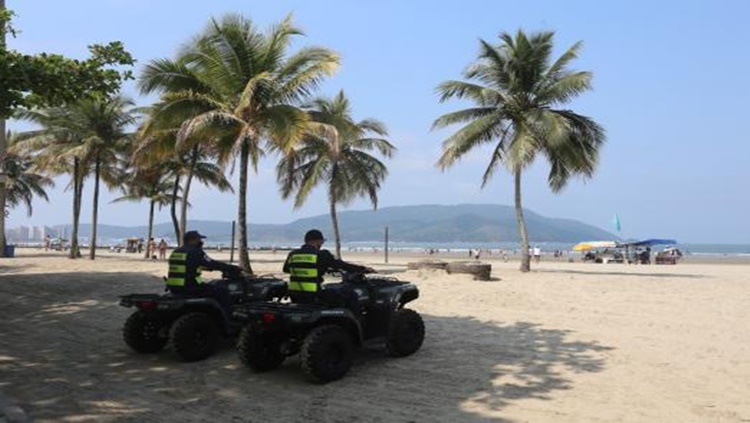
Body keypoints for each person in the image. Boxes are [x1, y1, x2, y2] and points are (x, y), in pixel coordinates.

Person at [283, 229, 374, 309]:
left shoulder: (293, 254)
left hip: (295, 295)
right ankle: (354, 324)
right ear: (318, 241)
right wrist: (363, 269)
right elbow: (342, 265)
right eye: (322, 242)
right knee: (351, 295)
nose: (322, 244)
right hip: (315, 294)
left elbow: (286, 269)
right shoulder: (322, 254)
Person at [166, 230, 242, 311]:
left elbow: (186, 265)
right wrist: (231, 268)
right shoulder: (195, 251)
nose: (201, 242)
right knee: (222, 291)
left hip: (174, 287)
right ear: (191, 240)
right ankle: (226, 317)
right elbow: (212, 263)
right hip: (190, 287)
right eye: (198, 239)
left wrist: (206, 268)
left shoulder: (176, 251)